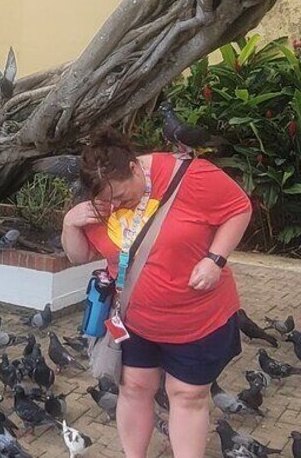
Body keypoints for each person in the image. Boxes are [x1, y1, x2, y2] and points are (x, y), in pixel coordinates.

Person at [61, 127, 251, 458]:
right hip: (134, 320)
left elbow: (239, 208)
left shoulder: (191, 175)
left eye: (119, 197)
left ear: (135, 168)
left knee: (187, 396)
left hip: (196, 319)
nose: (114, 205)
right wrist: (69, 223)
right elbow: (79, 255)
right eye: (107, 201)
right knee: (133, 388)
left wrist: (215, 260)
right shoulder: (101, 198)